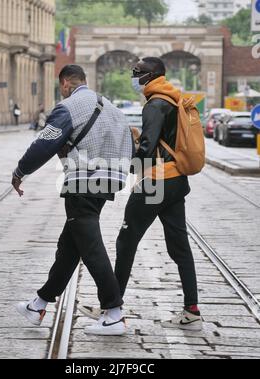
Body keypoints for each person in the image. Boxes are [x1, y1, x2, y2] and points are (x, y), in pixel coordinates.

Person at [81, 57, 203, 331]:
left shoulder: (155, 104)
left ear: (150, 76)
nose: (133, 78)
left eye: (136, 73)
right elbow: (159, 141)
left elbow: (147, 149)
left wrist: (125, 162)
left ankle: (111, 307)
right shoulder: (172, 99)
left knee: (126, 241)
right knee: (180, 247)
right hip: (175, 180)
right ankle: (192, 311)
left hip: (156, 181)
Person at [12, 65, 133, 336]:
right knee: (70, 246)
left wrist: (21, 171)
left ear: (65, 82)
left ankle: (114, 313)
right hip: (110, 180)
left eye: (61, 87)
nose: (62, 91)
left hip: (83, 181)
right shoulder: (112, 107)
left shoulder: (68, 107)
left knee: (91, 247)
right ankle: (38, 304)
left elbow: (45, 143)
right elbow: (130, 143)